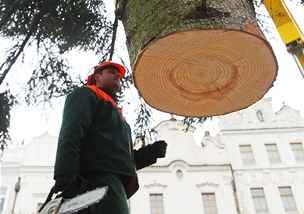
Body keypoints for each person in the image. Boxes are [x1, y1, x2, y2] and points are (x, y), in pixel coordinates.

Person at [51, 61, 167, 214]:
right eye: (112, 71)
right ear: (97, 77)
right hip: (95, 182)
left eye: (118, 73)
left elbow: (117, 160)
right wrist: (65, 180)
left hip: (115, 184)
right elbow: (71, 133)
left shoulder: (116, 113)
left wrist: (149, 154)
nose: (118, 75)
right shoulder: (86, 94)